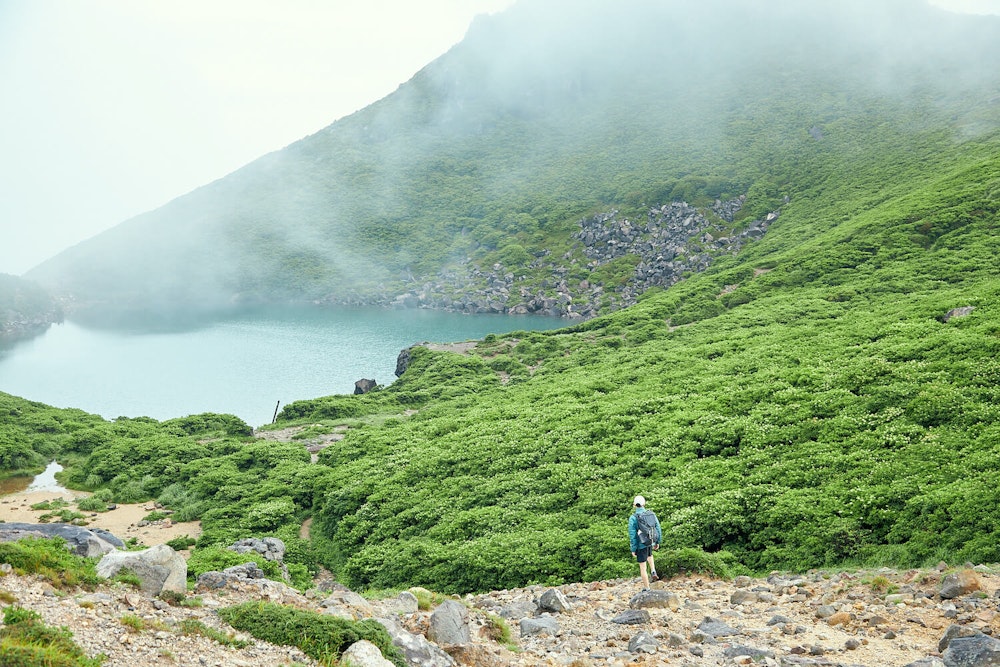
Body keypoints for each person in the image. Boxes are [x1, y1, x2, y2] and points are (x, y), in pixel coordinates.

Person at [628, 495, 661, 588]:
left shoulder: (633, 518)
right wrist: (657, 541)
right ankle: (653, 570)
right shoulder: (651, 514)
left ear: (634, 505)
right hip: (650, 541)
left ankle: (647, 588)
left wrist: (633, 549)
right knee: (650, 555)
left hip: (641, 544)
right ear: (644, 504)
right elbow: (657, 528)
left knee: (643, 567)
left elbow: (632, 535)